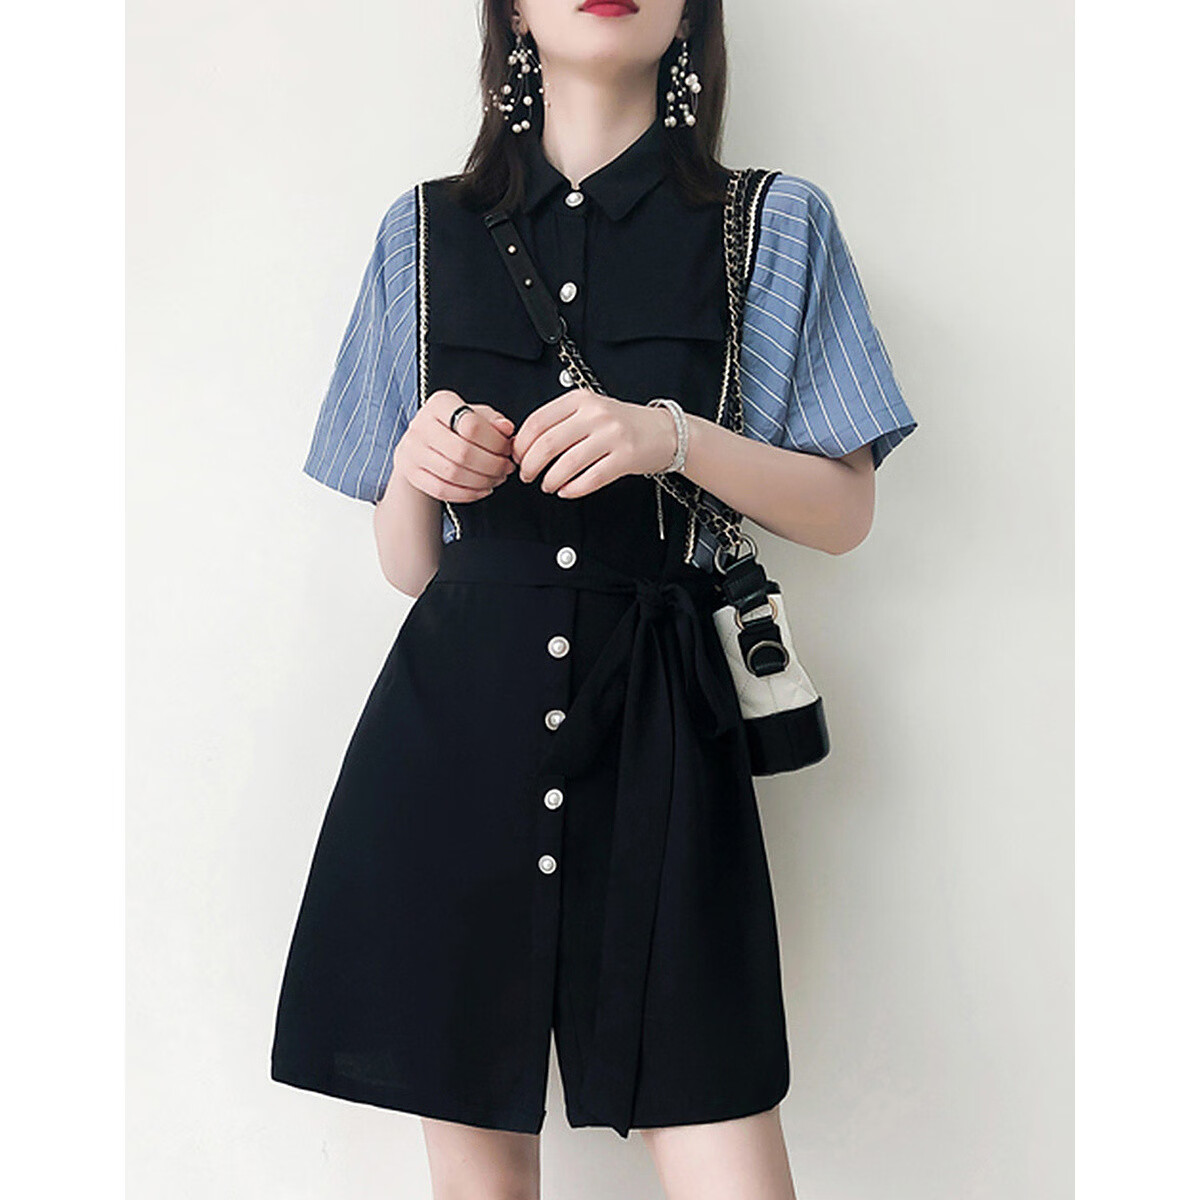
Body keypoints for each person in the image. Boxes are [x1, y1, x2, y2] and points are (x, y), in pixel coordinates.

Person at [271, 1, 918, 1196]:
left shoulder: (772, 224)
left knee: (719, 1127)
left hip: (665, 731)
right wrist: (419, 462)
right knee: (477, 1165)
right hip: (455, 740)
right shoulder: (420, 233)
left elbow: (845, 510)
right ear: (511, 9)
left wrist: (672, 437)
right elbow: (413, 567)